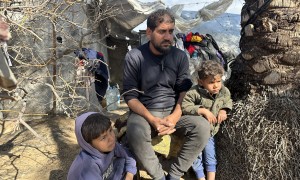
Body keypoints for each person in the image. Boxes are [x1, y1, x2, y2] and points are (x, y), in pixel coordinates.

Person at [122, 9, 210, 180]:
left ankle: (174, 175)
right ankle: (158, 176)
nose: (168, 37)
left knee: (203, 127)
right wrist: (152, 119)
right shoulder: (135, 57)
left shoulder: (180, 57)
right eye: (162, 31)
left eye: (171, 31)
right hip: (145, 112)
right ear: (149, 32)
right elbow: (130, 96)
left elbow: (183, 89)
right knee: (134, 131)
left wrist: (176, 115)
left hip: (174, 111)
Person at [181, 60, 233, 180]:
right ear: (201, 82)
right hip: (197, 132)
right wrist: (203, 111)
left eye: (219, 81)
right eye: (211, 82)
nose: (216, 86)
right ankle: (200, 177)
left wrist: (223, 110)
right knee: (196, 156)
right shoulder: (194, 92)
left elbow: (228, 100)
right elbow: (185, 106)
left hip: (211, 132)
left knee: (210, 156)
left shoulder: (223, 91)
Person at [67, 112, 137, 180]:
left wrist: (129, 176)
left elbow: (128, 156)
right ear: (88, 144)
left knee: (123, 160)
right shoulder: (87, 169)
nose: (111, 138)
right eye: (103, 137)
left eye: (110, 130)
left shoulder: (110, 146)